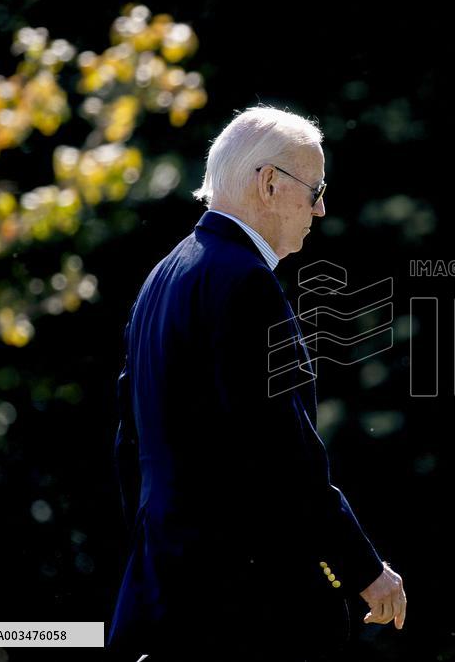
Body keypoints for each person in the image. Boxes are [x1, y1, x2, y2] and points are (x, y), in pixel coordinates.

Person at [107, 106, 406, 661]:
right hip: (243, 610)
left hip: (168, 594)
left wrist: (165, 556)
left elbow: (130, 448)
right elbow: (282, 451)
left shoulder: (164, 275)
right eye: (314, 188)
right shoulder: (244, 282)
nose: (321, 206)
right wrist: (364, 570)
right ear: (269, 183)